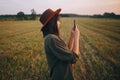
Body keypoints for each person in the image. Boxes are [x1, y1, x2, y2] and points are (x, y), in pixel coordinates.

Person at [39, 8, 80, 80]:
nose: (59, 23)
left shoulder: (51, 37)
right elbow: (73, 58)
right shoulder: (51, 39)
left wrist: (72, 36)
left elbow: (67, 52)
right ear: (52, 22)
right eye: (57, 20)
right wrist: (77, 37)